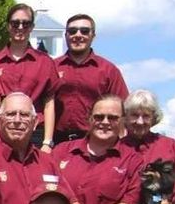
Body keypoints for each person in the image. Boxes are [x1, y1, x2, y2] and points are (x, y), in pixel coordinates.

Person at [52, 96, 144, 204]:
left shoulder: (133, 160)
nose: (105, 122)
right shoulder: (61, 152)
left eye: (113, 118)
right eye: (99, 117)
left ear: (123, 122)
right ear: (89, 119)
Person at [0, 3, 59, 149]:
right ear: (8, 26)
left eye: (25, 24)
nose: (20, 27)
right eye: (15, 23)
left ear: (32, 27)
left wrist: (47, 142)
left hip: (35, 133)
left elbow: (49, 102)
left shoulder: (45, 62)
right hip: (2, 131)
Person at [52, 14, 128, 146]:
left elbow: (124, 108)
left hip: (95, 142)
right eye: (72, 31)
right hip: (56, 141)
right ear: (66, 36)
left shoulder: (108, 70)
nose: (78, 35)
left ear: (93, 35)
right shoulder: (51, 67)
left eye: (85, 31)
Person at [122, 89, 175, 167]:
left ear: (154, 118)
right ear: (125, 117)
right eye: (135, 115)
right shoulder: (116, 149)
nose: (140, 122)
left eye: (146, 116)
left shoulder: (172, 146)